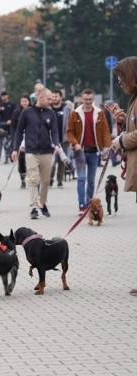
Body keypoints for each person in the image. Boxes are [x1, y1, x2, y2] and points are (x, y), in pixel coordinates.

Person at [108, 56, 137, 296]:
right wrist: (124, 122)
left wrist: (121, 139)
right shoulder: (133, 100)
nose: (120, 83)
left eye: (121, 78)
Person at [11, 88, 60, 219]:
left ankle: (42, 203)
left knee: (45, 181)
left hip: (46, 152)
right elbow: (19, 131)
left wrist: (56, 144)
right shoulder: (27, 112)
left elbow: (55, 131)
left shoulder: (51, 114)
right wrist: (15, 149)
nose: (51, 101)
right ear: (40, 98)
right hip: (31, 151)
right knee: (33, 180)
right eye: (48, 99)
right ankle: (33, 207)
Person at [66, 89, 111, 213]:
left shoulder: (100, 113)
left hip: (94, 151)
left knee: (91, 181)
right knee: (81, 179)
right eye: (85, 99)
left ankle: (89, 203)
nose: (88, 102)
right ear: (81, 99)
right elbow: (69, 131)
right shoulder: (75, 113)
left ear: (94, 99)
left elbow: (106, 131)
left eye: (90, 99)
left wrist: (107, 146)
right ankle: (82, 205)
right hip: (80, 152)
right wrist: (75, 143)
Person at [50, 89, 73, 188]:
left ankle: (60, 180)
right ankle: (50, 178)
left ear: (60, 97)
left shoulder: (66, 108)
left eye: (56, 96)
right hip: (51, 139)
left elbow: (71, 120)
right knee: (51, 160)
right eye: (53, 96)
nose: (54, 98)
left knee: (62, 160)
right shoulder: (48, 108)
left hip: (64, 138)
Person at [11, 94, 31, 188]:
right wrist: (14, 138)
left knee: (31, 160)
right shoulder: (16, 112)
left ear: (29, 102)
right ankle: (23, 179)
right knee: (21, 161)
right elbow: (13, 127)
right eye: (22, 101)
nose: (24, 103)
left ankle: (30, 178)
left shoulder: (33, 111)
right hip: (19, 137)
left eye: (25, 101)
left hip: (30, 138)